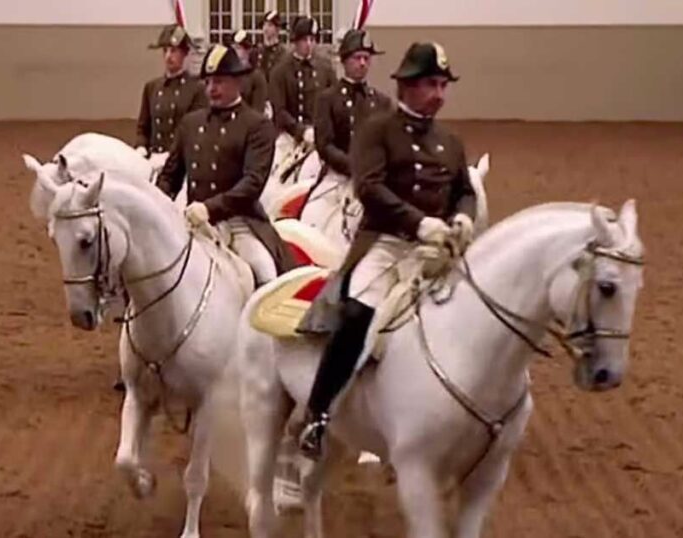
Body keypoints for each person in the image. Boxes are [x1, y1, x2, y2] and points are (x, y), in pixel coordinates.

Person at [297, 42, 477, 459]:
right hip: (385, 244)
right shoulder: (377, 130)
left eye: (443, 85)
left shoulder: (450, 140)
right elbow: (369, 187)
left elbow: (464, 191)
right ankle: (317, 415)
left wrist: (464, 218)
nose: (439, 93)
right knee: (359, 316)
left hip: (434, 252)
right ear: (408, 86)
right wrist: (419, 222)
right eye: (431, 84)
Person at [155, 45, 296, 285]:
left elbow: (252, 183)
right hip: (193, 221)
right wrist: (158, 205)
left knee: (266, 273)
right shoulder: (191, 123)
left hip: (238, 222)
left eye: (219, 81)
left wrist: (210, 208)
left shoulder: (257, 126)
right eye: (208, 82)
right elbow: (170, 176)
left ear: (238, 82)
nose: (212, 89)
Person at [307, 28, 391, 215]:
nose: (362, 63)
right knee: (313, 214)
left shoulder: (381, 102)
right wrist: (353, 167)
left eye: (366, 58)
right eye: (357, 58)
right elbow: (325, 145)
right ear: (344, 61)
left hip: (373, 179)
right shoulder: (327, 99)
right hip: (337, 178)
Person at [268, 16, 337, 154]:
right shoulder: (281, 70)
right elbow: (279, 110)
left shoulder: (325, 68)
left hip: (319, 134)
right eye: (304, 40)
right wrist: (301, 131)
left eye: (312, 40)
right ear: (296, 41)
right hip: (288, 135)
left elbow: (333, 103)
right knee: (277, 170)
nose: (309, 44)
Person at [136, 25, 207, 156]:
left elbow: (196, 131)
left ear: (184, 53)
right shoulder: (152, 87)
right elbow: (143, 128)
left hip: (182, 160)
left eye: (174, 51)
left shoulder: (197, 88)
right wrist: (141, 147)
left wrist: (173, 155)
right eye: (165, 51)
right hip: (153, 157)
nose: (168, 56)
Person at [229, 29, 270, 116]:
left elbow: (257, 110)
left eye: (238, 48)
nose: (235, 52)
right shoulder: (228, 75)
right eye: (234, 48)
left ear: (247, 51)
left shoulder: (256, 77)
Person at [252, 10, 286, 78]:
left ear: (277, 29)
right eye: (264, 25)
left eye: (270, 25)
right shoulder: (256, 51)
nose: (265, 29)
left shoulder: (283, 53)